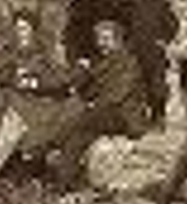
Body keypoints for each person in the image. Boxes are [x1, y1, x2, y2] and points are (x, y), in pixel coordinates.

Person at [42, 17, 153, 187]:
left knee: (83, 119)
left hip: (125, 116)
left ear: (118, 40)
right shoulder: (103, 62)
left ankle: (50, 145)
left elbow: (116, 96)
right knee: (79, 136)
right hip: (106, 114)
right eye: (99, 39)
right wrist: (82, 70)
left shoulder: (129, 63)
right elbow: (86, 89)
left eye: (106, 39)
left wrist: (90, 105)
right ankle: (64, 181)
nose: (102, 44)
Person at [0, 7, 79, 178]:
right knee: (3, 109)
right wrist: (12, 75)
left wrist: (37, 82)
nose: (22, 33)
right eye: (18, 29)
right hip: (14, 97)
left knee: (44, 120)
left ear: (33, 30)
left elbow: (61, 78)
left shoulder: (44, 50)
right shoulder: (9, 50)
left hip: (39, 99)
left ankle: (29, 160)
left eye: (25, 29)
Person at [128, 0, 178, 123]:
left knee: (157, 86)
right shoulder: (133, 1)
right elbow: (125, 23)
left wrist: (164, 40)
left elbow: (174, 24)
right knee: (139, 85)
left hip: (156, 51)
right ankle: (142, 117)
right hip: (137, 50)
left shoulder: (162, 3)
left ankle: (159, 116)